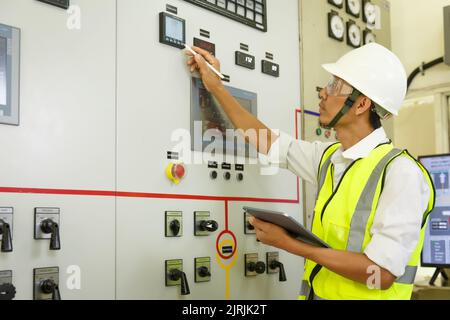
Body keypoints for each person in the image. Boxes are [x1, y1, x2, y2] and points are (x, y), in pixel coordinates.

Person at [186, 43, 435, 300]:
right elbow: (266, 141)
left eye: (335, 86)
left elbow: (380, 275)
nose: (323, 93)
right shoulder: (329, 158)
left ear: (361, 104)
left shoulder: (401, 174)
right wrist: (216, 86)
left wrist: (291, 244)